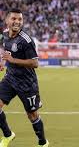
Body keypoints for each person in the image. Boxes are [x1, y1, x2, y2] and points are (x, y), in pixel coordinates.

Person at [0, 9, 49, 147]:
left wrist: (13, 60)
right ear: (7, 20)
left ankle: (42, 142)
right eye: (14, 19)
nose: (17, 22)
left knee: (32, 115)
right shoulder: (4, 34)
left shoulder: (26, 40)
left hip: (27, 83)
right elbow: (6, 50)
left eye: (20, 19)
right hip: (10, 78)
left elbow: (35, 63)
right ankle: (8, 135)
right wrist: (3, 62)